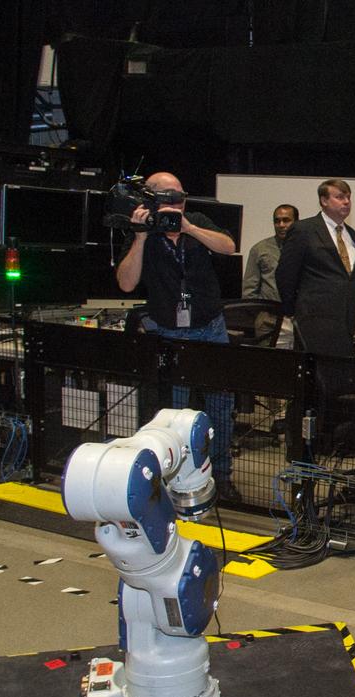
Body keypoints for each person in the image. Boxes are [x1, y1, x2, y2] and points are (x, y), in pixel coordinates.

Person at [115, 171, 240, 500]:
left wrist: (189, 228)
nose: (176, 203)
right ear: (152, 199)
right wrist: (141, 237)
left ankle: (222, 476)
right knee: (174, 410)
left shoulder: (195, 219)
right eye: (168, 198)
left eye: (180, 196)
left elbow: (228, 246)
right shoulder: (144, 230)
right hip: (169, 329)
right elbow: (126, 283)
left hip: (210, 325)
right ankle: (175, 478)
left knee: (221, 403)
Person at [275, 178, 355, 453]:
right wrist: (295, 312)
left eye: (348, 196)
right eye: (339, 197)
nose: (346, 201)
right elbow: (285, 274)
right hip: (313, 320)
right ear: (324, 201)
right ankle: (299, 447)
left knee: (335, 383)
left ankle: (328, 443)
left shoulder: (352, 235)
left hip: (342, 322)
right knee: (310, 384)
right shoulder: (304, 230)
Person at [241, 203, 298, 302]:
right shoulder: (260, 249)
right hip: (268, 312)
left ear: (296, 222)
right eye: (277, 221)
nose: (281, 225)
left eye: (286, 220)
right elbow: (249, 290)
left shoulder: (307, 248)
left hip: (298, 312)